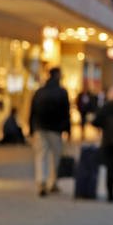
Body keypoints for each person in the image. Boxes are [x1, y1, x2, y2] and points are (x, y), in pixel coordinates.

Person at [29, 67, 70, 197]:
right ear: (57, 75)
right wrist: (68, 129)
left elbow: (32, 111)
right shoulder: (62, 92)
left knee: (41, 155)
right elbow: (66, 112)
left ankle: (41, 181)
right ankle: (52, 182)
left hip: (40, 127)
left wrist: (32, 128)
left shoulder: (40, 91)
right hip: (55, 129)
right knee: (55, 156)